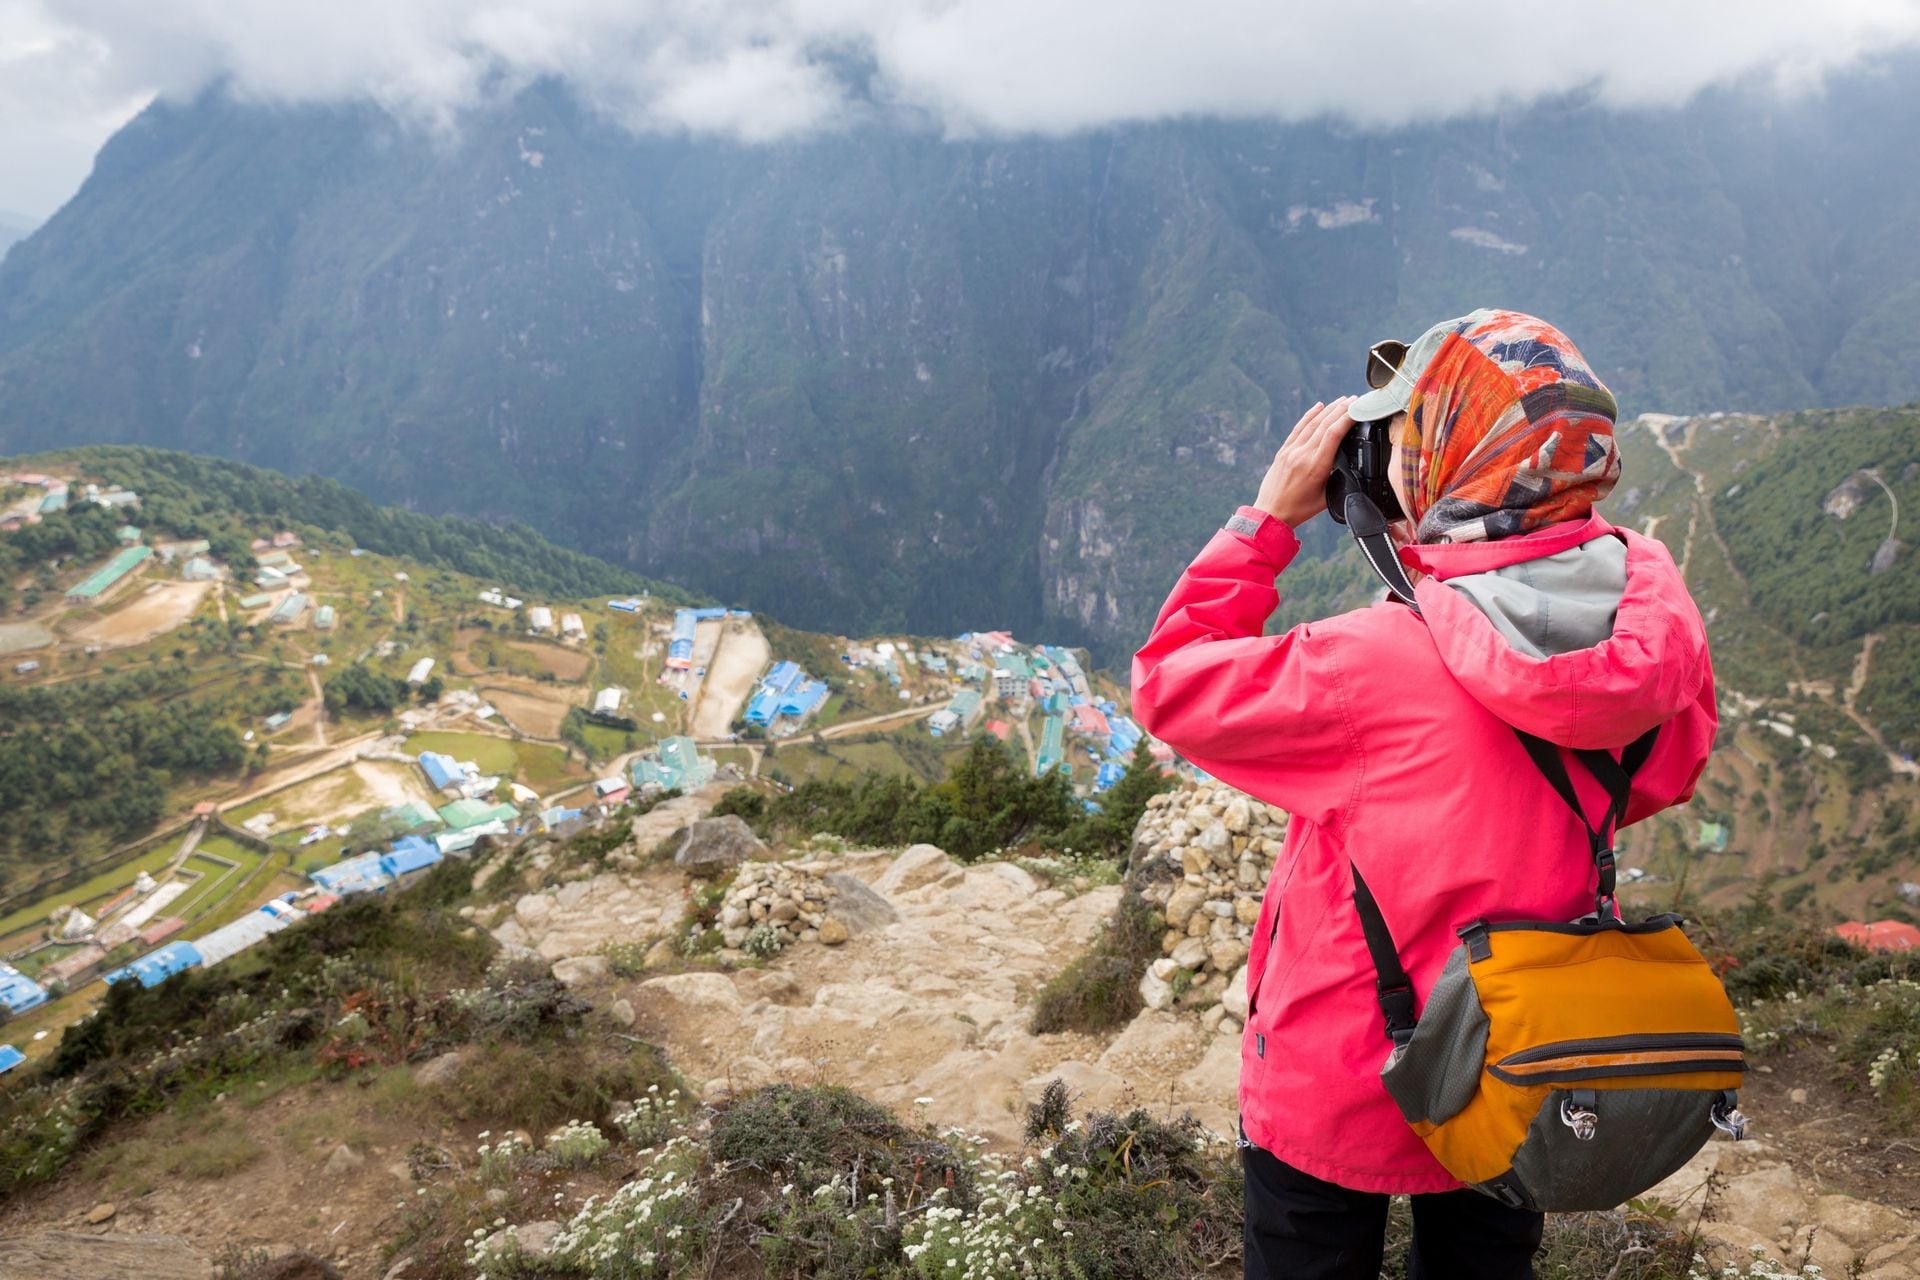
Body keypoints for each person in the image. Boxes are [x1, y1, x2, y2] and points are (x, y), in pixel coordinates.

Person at [1130, 309, 1717, 1279]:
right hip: (1522, 1064)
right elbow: (1660, 773)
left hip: (1341, 1071)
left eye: (1409, 444)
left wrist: (1266, 522)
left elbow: (1170, 680)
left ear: (1453, 463)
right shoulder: (1650, 640)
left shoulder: (1369, 665)